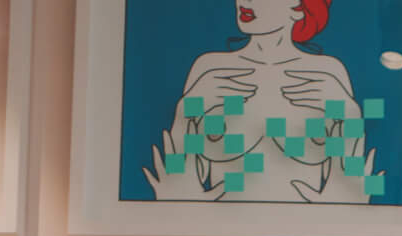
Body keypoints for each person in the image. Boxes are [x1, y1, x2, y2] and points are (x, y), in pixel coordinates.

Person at [145, 0, 379, 203]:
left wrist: (350, 112)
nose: (245, 1)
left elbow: (351, 178)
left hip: (310, 235)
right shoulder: (210, 68)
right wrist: (186, 110)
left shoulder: (328, 72)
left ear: (299, 8)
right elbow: (178, 175)